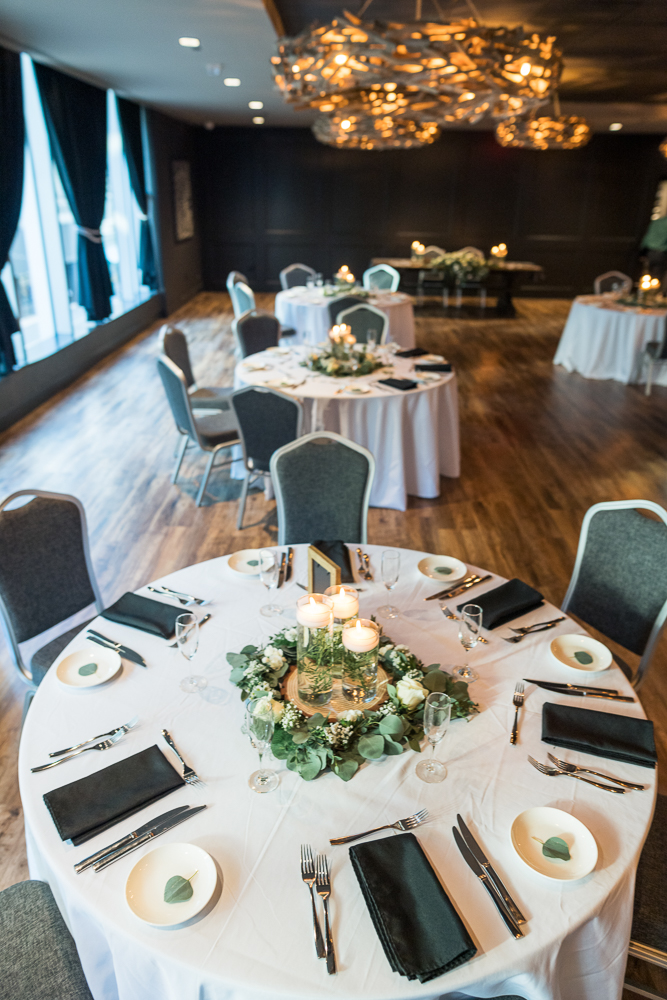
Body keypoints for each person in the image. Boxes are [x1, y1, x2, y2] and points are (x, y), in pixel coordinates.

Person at [640, 215, 667, 280]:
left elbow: (647, 237)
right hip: (661, 252)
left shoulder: (657, 222)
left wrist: (642, 251)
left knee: (646, 272)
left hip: (650, 251)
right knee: (657, 275)